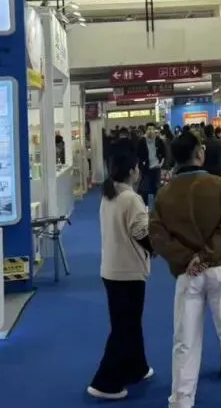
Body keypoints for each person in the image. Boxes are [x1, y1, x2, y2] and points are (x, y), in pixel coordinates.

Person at [148, 131, 221, 408]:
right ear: (199, 153)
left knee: (184, 341)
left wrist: (189, 258)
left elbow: (158, 236)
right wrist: (206, 255)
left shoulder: (164, 194)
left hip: (188, 273)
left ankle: (182, 400)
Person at [88, 150, 153, 400]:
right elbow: (140, 231)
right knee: (124, 327)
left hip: (112, 269)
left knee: (128, 323)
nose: (139, 171)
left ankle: (137, 367)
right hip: (128, 271)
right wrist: (155, 247)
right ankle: (105, 383)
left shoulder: (109, 195)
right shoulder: (131, 199)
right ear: (131, 171)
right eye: (137, 167)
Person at [137, 123, 166, 205]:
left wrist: (161, 163)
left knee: (156, 189)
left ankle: (156, 207)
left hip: (156, 168)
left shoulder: (159, 140)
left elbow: (163, 153)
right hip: (146, 168)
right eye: (149, 129)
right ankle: (147, 207)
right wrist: (140, 165)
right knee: (146, 190)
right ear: (146, 130)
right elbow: (138, 154)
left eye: (152, 129)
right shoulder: (142, 141)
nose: (151, 131)